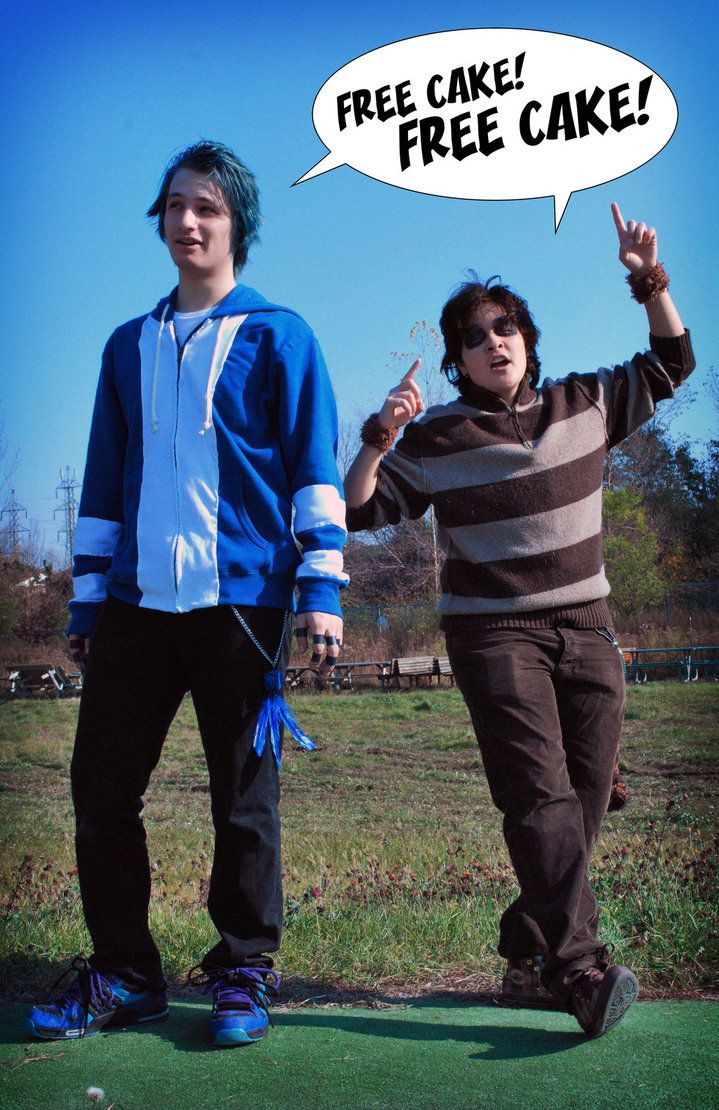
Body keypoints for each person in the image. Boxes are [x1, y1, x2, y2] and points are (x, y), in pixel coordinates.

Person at [343, 204, 694, 1038]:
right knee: (537, 799)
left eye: (505, 327)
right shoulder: (435, 438)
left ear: (527, 337)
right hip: (494, 635)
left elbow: (674, 361)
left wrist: (645, 276)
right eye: (474, 336)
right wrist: (377, 435)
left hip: (588, 626)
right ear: (457, 359)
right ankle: (576, 971)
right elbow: (355, 510)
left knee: (585, 800)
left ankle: (524, 940)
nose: (493, 342)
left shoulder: (586, 403)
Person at [27, 141, 347, 1046]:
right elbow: (103, 479)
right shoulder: (127, 344)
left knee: (243, 797)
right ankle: (126, 972)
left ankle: (244, 967)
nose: (188, 222)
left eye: (205, 206)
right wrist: (88, 603)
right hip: (135, 608)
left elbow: (312, 474)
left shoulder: (281, 334)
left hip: (242, 604)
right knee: (100, 787)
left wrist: (320, 589)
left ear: (237, 222)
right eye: (173, 206)